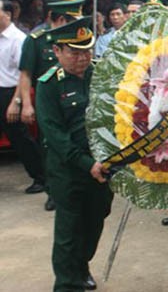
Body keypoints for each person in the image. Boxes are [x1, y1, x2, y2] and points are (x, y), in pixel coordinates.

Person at [36, 17, 113, 292]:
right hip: (68, 170)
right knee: (68, 231)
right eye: (75, 51)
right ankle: (67, 283)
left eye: (87, 50)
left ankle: (81, 267)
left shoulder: (101, 75)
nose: (83, 58)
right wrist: (85, 163)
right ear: (57, 51)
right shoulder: (49, 84)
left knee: (96, 219)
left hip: (103, 167)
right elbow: (54, 134)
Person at [18, 0, 84, 211]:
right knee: (51, 145)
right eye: (70, 20)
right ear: (58, 19)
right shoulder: (36, 40)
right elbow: (26, 74)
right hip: (49, 100)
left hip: (75, 99)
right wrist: (25, 104)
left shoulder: (78, 38)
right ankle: (53, 190)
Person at [0, 0, 46, 194]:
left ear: (7, 14)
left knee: (20, 137)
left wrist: (16, 101)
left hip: (11, 92)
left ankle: (41, 177)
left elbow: (24, 74)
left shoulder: (18, 39)